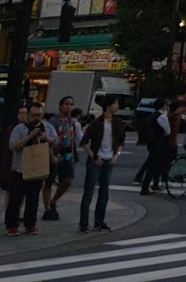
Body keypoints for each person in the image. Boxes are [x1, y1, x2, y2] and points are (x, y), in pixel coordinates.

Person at [5, 101, 57, 236]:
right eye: (34, 115)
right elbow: (12, 145)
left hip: (38, 169)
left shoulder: (47, 126)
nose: (37, 118)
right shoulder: (20, 128)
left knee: (33, 199)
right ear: (28, 114)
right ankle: (12, 226)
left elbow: (56, 140)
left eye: (39, 115)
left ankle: (30, 225)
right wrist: (30, 136)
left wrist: (45, 138)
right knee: (15, 200)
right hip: (20, 168)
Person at [78, 97, 124, 233]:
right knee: (89, 192)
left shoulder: (118, 122)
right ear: (109, 106)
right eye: (116, 103)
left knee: (104, 193)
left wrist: (116, 155)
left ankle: (99, 221)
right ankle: (84, 223)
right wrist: (94, 156)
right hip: (96, 161)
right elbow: (85, 141)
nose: (117, 106)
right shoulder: (97, 122)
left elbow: (121, 141)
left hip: (109, 160)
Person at [42, 95, 83, 221]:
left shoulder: (72, 121)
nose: (69, 106)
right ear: (60, 106)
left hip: (67, 154)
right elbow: (48, 139)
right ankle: (48, 208)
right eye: (66, 104)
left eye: (71, 104)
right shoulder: (53, 121)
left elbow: (75, 138)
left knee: (67, 180)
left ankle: (53, 201)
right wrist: (50, 154)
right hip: (54, 153)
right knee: (49, 182)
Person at [140, 99, 171, 195]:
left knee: (155, 164)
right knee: (153, 166)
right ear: (163, 106)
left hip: (152, 142)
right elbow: (167, 131)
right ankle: (145, 188)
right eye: (167, 105)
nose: (168, 107)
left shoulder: (153, 115)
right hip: (159, 143)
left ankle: (154, 184)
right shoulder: (162, 117)